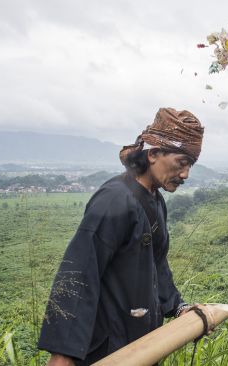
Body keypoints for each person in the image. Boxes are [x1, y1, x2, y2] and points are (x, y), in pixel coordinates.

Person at [37, 107, 205, 365]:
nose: (185, 175)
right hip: (107, 346)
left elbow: (156, 264)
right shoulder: (115, 200)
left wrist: (178, 307)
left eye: (190, 165)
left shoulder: (155, 200)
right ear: (154, 154)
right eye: (181, 163)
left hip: (140, 343)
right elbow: (80, 273)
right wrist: (63, 353)